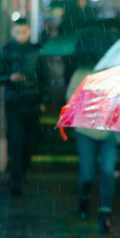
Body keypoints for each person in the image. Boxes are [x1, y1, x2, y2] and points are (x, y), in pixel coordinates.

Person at [65, 56, 120, 235]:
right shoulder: (81, 74)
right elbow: (70, 99)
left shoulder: (117, 74)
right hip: (85, 130)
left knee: (107, 171)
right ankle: (83, 201)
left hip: (110, 132)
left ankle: (104, 213)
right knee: (87, 174)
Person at [0, 18, 49, 195]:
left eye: (24, 32)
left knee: (29, 142)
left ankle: (22, 172)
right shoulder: (6, 50)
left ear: (29, 31)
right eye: (18, 32)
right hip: (13, 102)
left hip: (32, 102)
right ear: (13, 32)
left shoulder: (37, 50)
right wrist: (8, 78)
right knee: (15, 142)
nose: (21, 35)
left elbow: (45, 78)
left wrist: (43, 100)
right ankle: (16, 179)